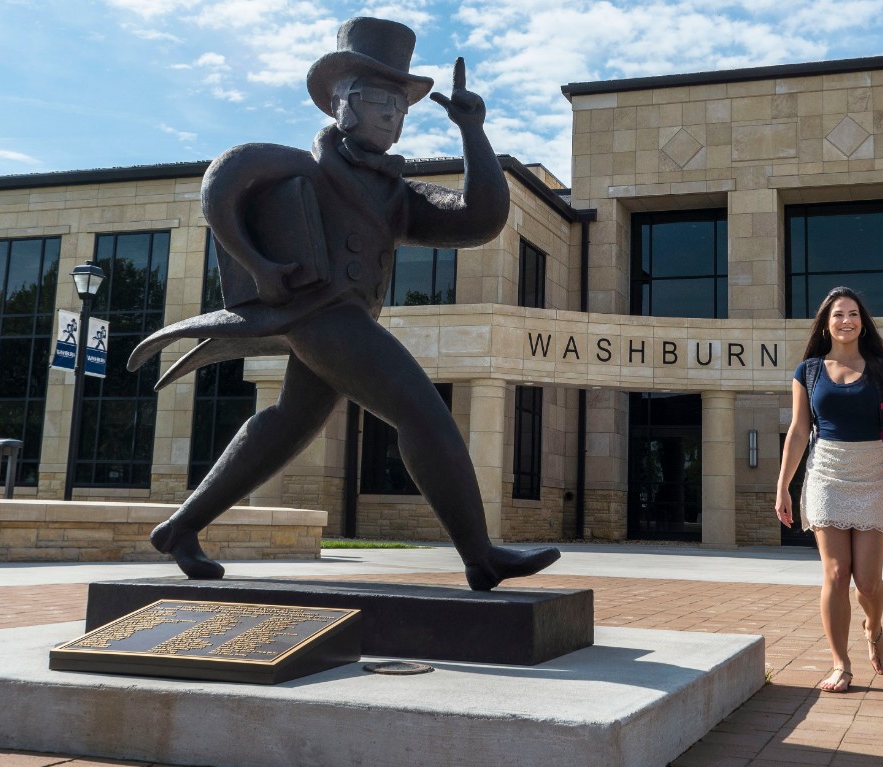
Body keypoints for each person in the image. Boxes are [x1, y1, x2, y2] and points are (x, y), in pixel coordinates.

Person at [125, 17, 558, 590]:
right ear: (341, 105)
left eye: (401, 105)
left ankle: (180, 528)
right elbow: (220, 186)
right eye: (380, 99)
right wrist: (259, 267)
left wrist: (472, 131)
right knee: (423, 413)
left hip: (344, 321)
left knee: (288, 424)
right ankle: (480, 556)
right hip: (321, 316)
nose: (392, 114)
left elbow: (480, 220)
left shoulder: (397, 195)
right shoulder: (300, 171)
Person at [774, 287, 883, 694]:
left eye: (853, 313)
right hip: (826, 472)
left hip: (873, 473)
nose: (846, 320)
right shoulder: (809, 371)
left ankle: (874, 626)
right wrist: (782, 485)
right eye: (838, 314)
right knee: (836, 572)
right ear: (826, 322)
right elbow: (799, 432)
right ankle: (841, 664)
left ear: (862, 321)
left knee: (868, 583)